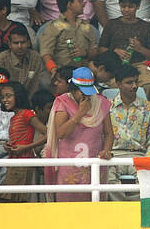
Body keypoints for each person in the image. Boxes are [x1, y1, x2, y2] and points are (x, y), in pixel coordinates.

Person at [44, 67, 113, 202]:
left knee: (93, 206)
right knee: (68, 208)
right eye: (82, 92)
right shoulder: (62, 102)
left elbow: (109, 133)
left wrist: (107, 150)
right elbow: (61, 133)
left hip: (94, 165)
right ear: (73, 89)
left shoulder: (101, 103)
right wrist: (80, 113)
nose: (86, 96)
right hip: (69, 166)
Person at [106, 64, 150, 200]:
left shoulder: (149, 108)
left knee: (146, 182)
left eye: (136, 81)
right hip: (113, 156)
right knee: (107, 178)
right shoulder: (107, 107)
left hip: (139, 156)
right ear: (118, 84)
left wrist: (148, 161)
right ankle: (120, 212)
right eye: (129, 82)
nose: (134, 86)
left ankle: (133, 211)